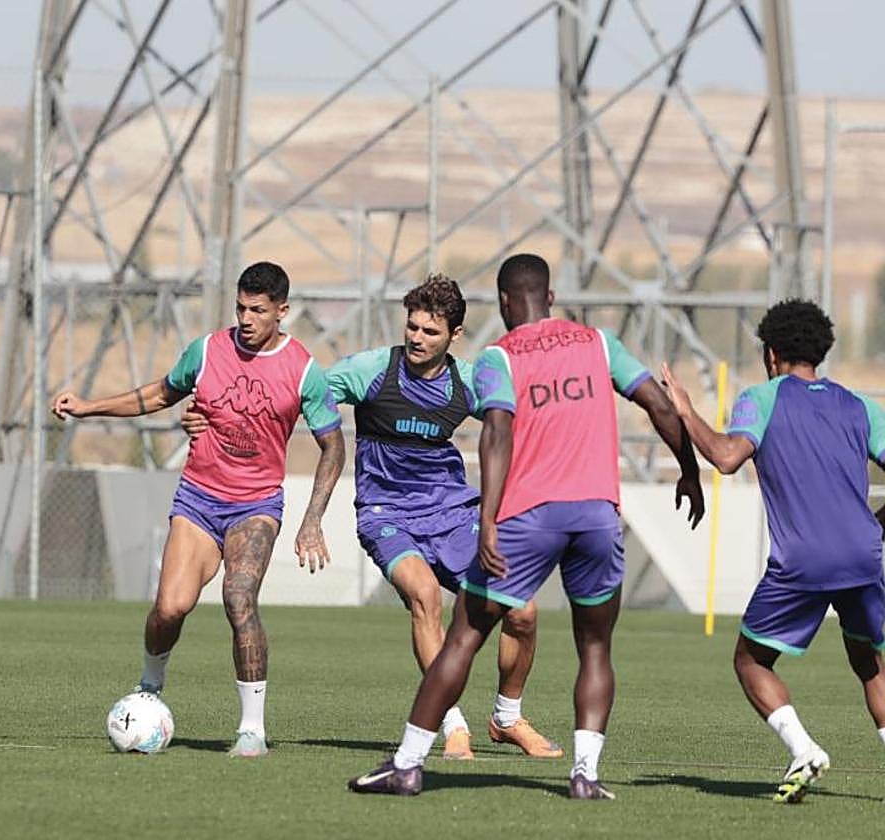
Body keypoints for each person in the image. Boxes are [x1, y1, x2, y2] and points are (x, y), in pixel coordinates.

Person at [348, 252, 703, 799]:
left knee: (464, 636)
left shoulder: (499, 357)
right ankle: (585, 775)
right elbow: (657, 403)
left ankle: (408, 764)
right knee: (595, 649)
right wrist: (689, 472)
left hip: (531, 517)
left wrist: (487, 519)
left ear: (506, 303)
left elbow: (496, 434)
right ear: (552, 298)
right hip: (596, 517)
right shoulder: (600, 343)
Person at [185, 275, 559, 759]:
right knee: (425, 597)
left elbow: (518, 428)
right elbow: (294, 390)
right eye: (412, 328)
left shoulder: (468, 383)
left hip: (450, 510)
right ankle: (452, 724)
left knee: (524, 613)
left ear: (454, 336)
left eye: (430, 331)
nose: (417, 338)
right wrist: (210, 414)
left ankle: (507, 719)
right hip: (387, 513)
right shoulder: (373, 371)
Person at [52, 261, 344, 757]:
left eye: (258, 310)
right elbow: (161, 394)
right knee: (170, 608)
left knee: (239, 597)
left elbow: (333, 446)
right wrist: (89, 406)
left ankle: (252, 730)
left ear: (282, 312)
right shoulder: (207, 351)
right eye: (240, 308)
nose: (247, 319)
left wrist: (312, 518)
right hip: (199, 498)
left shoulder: (303, 370)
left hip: (256, 504)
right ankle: (150, 683)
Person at [661, 298, 885, 804]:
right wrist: (875, 527)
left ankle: (803, 749)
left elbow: (724, 458)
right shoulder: (860, 405)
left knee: (751, 660)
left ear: (771, 354)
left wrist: (686, 409)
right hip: (863, 557)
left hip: (803, 561)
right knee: (869, 663)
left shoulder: (762, 398)